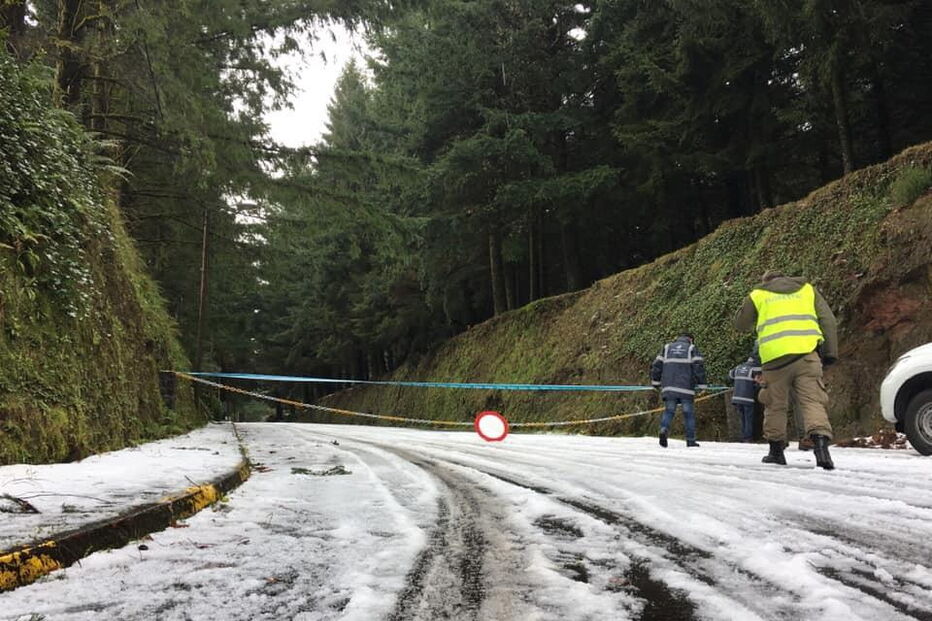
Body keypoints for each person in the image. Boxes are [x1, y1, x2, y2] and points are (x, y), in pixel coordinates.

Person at [734, 270, 838, 469]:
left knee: (775, 404)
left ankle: (776, 452)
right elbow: (828, 320)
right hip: (807, 354)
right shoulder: (808, 289)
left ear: (765, 282)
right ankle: (822, 449)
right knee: (812, 401)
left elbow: (740, 324)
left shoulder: (758, 295)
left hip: (775, 360)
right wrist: (829, 353)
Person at [650, 333, 707, 448]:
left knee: (669, 411)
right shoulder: (691, 348)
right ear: (690, 339)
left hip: (669, 388)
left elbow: (656, 365)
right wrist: (702, 385)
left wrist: (656, 382)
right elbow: (698, 367)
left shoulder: (666, 348)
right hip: (686, 388)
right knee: (688, 414)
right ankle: (690, 440)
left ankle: (663, 429)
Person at [729, 351, 762, 442]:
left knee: (742, 418)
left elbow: (730, 375)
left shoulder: (738, 367)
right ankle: (748, 438)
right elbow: (759, 381)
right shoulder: (755, 369)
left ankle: (744, 436)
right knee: (748, 419)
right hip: (748, 398)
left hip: (736, 397)